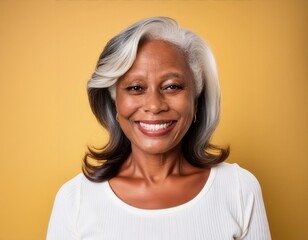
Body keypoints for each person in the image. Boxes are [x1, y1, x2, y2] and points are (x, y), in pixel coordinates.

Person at [47, 17, 271, 239]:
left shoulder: (239, 189)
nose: (154, 105)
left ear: (196, 99)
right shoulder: (74, 200)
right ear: (115, 102)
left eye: (172, 86)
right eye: (135, 88)